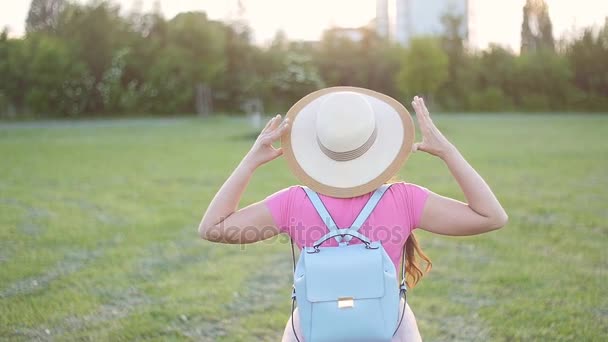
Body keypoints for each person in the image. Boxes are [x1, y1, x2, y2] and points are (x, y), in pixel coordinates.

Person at [199, 89, 508, 341]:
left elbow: (212, 227)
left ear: (318, 147)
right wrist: (447, 151)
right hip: (389, 330)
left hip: (313, 329)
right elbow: (491, 216)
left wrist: (249, 162)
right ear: (379, 145)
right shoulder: (404, 199)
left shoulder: (292, 202)